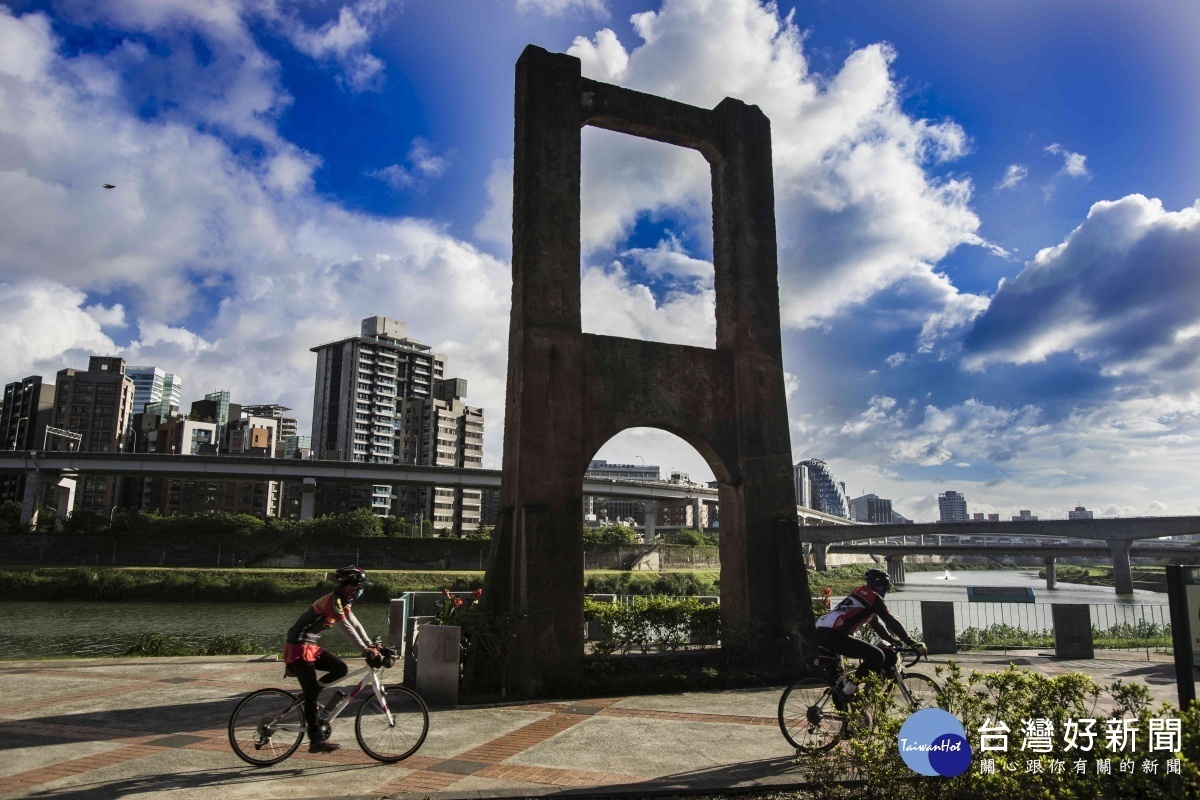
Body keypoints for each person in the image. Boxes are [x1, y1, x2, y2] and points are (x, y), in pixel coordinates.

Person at [283, 565, 383, 752]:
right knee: (312, 695)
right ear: (350, 586)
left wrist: (370, 644)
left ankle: (309, 694)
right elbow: (345, 627)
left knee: (339, 669)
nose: (361, 590)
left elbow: (355, 623)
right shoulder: (334, 601)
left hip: (310, 645)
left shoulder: (343, 601)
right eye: (359, 586)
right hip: (298, 645)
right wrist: (364, 650)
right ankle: (316, 741)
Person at [813, 568, 926, 695]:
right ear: (881, 587)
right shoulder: (874, 597)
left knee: (838, 684)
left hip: (820, 631)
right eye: (886, 588)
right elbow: (890, 620)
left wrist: (891, 640)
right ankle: (850, 688)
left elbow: (875, 623)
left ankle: (842, 699)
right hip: (835, 634)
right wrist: (911, 642)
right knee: (878, 656)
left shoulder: (860, 593)